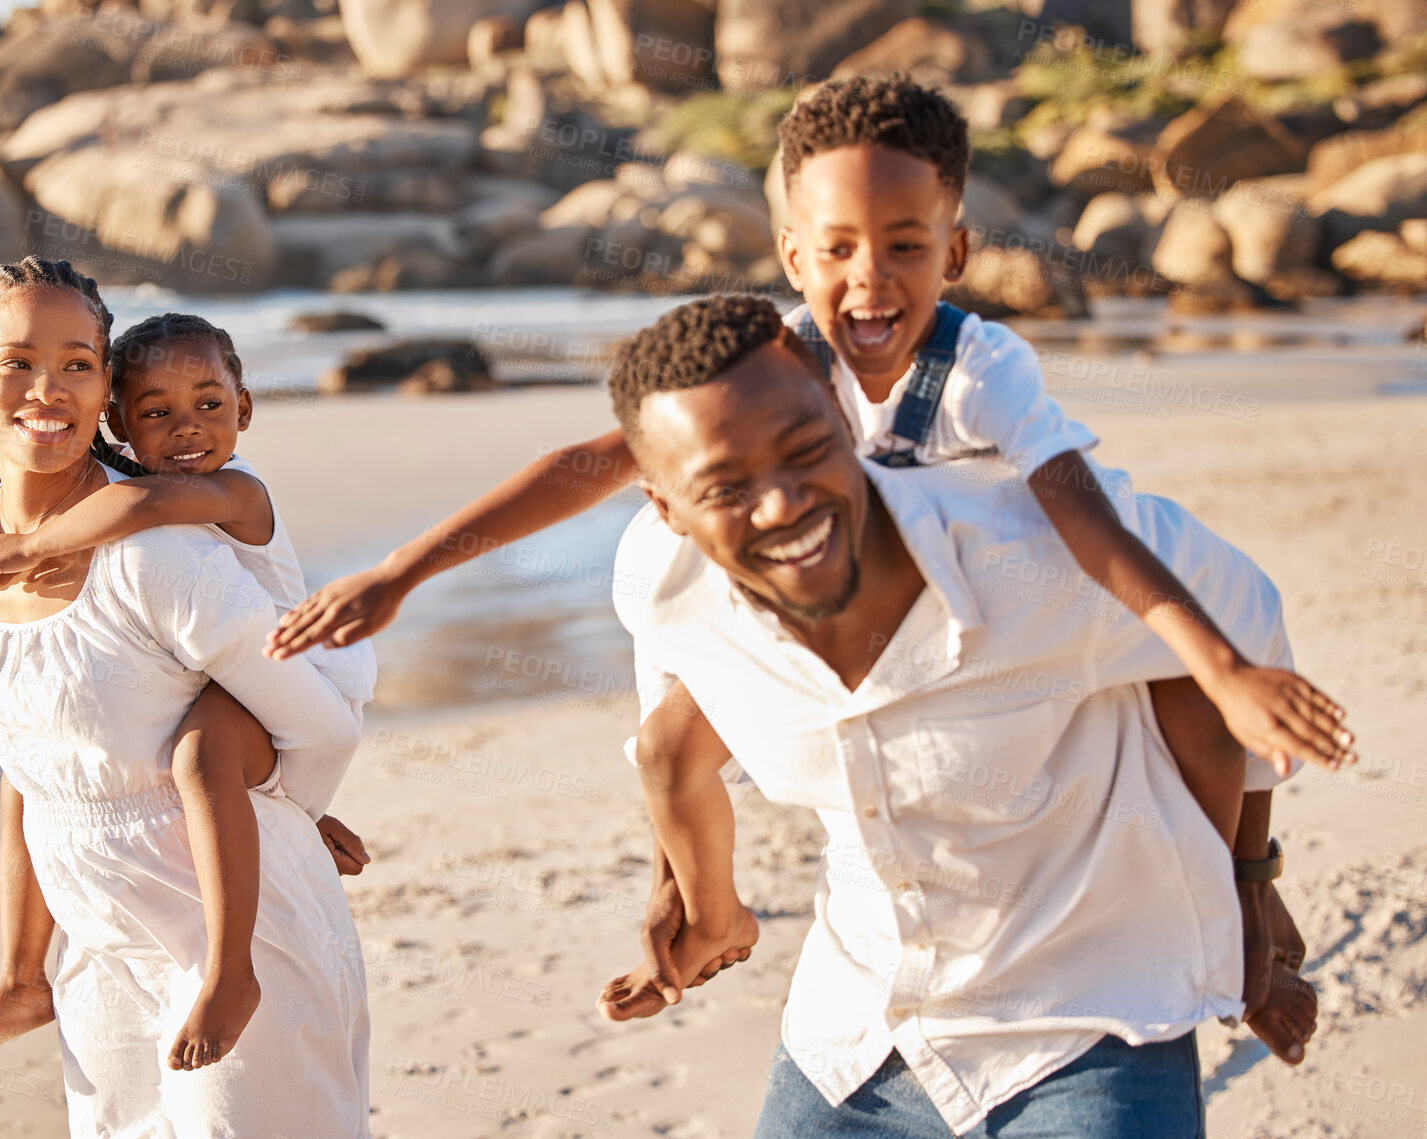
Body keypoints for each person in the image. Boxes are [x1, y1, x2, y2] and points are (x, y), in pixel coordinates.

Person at [264, 75, 1341, 1054]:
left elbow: (1072, 498)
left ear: (955, 253)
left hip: (1007, 597)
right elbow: (591, 460)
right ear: (792, 254)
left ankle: (1250, 899)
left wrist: (1224, 663)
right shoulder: (782, 358)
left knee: (1193, 682)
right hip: (831, 598)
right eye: (836, 250)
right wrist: (401, 573)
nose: (869, 281)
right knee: (664, 747)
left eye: (905, 246)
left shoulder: (980, 367)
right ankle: (698, 907)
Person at [604, 293, 1325, 1137]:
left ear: (845, 427)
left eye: (805, 450)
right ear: (665, 507)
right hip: (855, 1027)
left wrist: (1245, 891)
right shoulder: (665, 579)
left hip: (1084, 1021)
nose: (782, 505)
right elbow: (667, 738)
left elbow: (1237, 638)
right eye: (725, 486)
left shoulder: (1039, 554)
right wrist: (681, 896)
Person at [0, 256, 368, 1136]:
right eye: (17, 361)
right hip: (94, 949)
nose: (46, 386)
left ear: (100, 396)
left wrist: (293, 807)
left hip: (238, 937)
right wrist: (28, 970)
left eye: (76, 363)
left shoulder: (166, 553)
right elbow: (34, 761)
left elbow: (320, 722)